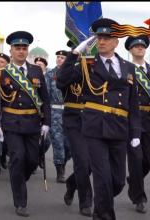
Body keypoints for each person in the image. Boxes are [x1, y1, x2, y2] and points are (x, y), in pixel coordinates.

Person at [58, 18, 141, 220]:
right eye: (99, 38)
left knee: (118, 181)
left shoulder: (128, 68)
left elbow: (133, 104)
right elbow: (62, 81)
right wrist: (74, 54)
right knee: (102, 176)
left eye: (107, 38)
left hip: (119, 128)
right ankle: (103, 215)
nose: (102, 41)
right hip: (94, 127)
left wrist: (135, 132)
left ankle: (100, 206)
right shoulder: (88, 65)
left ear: (116, 42)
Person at [0, 31, 51, 217]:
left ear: (27, 51)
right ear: (11, 50)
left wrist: (46, 122)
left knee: (32, 160)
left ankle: (18, 178)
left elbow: (45, 99)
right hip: (12, 123)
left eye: (24, 48)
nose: (21, 51)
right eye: (17, 48)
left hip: (33, 123)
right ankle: (20, 202)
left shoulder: (36, 71)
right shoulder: (2, 73)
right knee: (18, 158)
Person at [56, 40, 93, 217]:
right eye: (81, 48)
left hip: (96, 120)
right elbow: (61, 81)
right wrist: (73, 57)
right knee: (82, 162)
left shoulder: (98, 67)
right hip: (75, 120)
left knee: (92, 163)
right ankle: (86, 202)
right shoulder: (70, 68)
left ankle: (72, 183)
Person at [124, 35, 150, 214]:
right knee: (136, 159)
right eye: (136, 46)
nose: (140, 48)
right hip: (133, 119)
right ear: (130, 50)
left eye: (142, 46)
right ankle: (139, 197)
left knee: (147, 160)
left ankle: (133, 180)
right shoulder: (126, 70)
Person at [45, 50, 71, 183]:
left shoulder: (72, 73)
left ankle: (63, 162)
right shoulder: (50, 74)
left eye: (62, 57)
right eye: (58, 57)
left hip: (70, 113)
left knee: (69, 145)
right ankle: (60, 171)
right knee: (58, 143)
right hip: (55, 113)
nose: (59, 59)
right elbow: (46, 95)